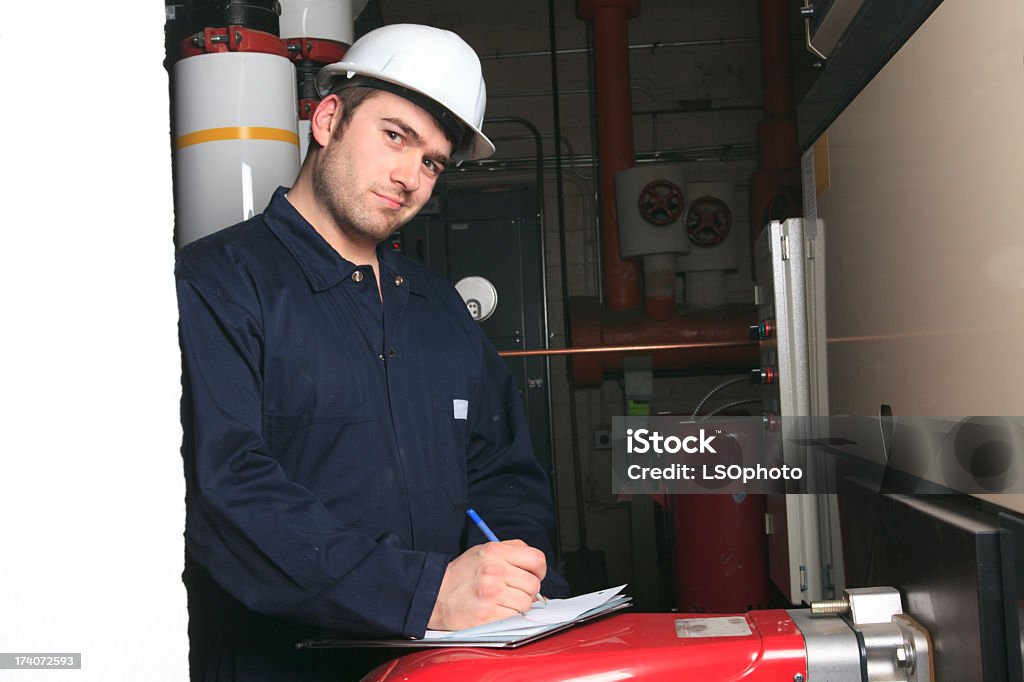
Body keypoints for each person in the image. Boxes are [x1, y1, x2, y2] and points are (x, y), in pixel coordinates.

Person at [175, 23, 568, 681]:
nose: (409, 176)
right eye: (396, 136)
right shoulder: (217, 284)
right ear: (328, 119)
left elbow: (502, 473)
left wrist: (516, 577)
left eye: (433, 162)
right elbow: (228, 493)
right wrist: (425, 593)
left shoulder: (441, 312)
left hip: (446, 667)